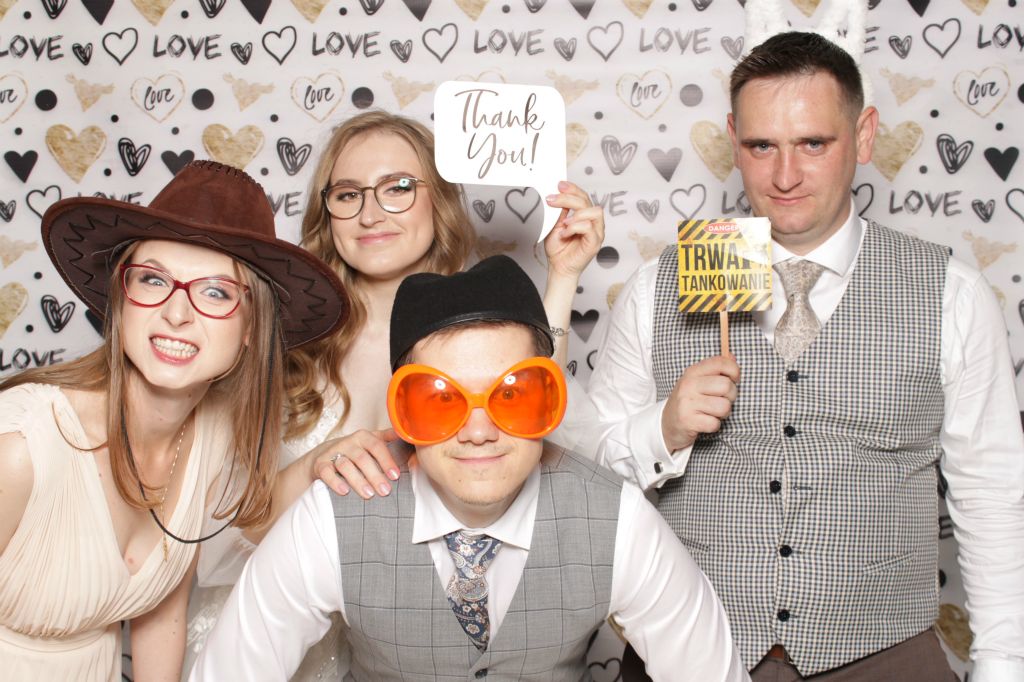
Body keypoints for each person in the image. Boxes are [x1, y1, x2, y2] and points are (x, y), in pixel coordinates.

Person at [587, 31, 1024, 681]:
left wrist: (1002, 666)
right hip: (689, 652)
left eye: (813, 144)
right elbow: (586, 477)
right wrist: (664, 428)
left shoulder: (951, 294)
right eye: (761, 146)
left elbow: (992, 496)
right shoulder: (658, 287)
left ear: (864, 136)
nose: (784, 176)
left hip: (884, 654)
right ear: (733, 140)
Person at [184, 111, 605, 680]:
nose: (371, 213)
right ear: (326, 213)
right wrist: (314, 466)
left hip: (414, 646)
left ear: (441, 202)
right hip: (275, 644)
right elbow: (223, 538)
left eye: (398, 187)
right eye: (348, 194)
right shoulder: (279, 342)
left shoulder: (481, 333)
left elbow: (546, 434)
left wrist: (563, 278)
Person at [190, 255, 748, 682]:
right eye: (439, 399)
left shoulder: (618, 520)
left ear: (550, 400)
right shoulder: (330, 519)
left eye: (513, 395)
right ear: (402, 412)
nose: (479, 431)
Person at [0, 160, 347, 681]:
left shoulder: (210, 437)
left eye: (215, 292)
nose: (177, 313)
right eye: (153, 279)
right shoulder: (21, 443)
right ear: (122, 299)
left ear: (251, 329)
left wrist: (325, 458)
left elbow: (160, 615)